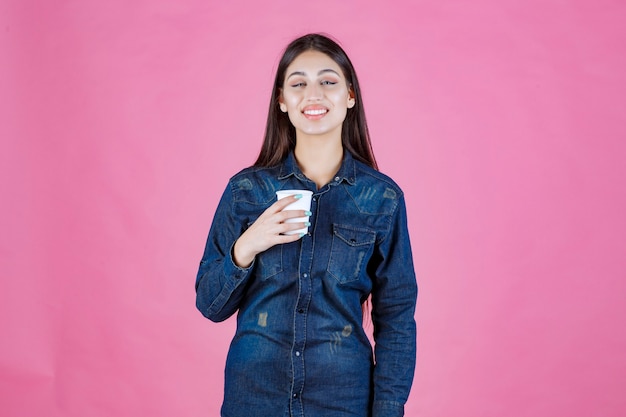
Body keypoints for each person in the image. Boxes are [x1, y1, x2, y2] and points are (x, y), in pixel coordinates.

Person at [195, 33, 417, 417]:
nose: (313, 94)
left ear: (350, 96)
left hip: (342, 399)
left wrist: (388, 408)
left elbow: (396, 316)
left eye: (328, 81)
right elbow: (210, 305)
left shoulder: (382, 199)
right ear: (282, 100)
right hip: (253, 399)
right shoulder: (247, 191)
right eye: (298, 83)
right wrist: (247, 245)